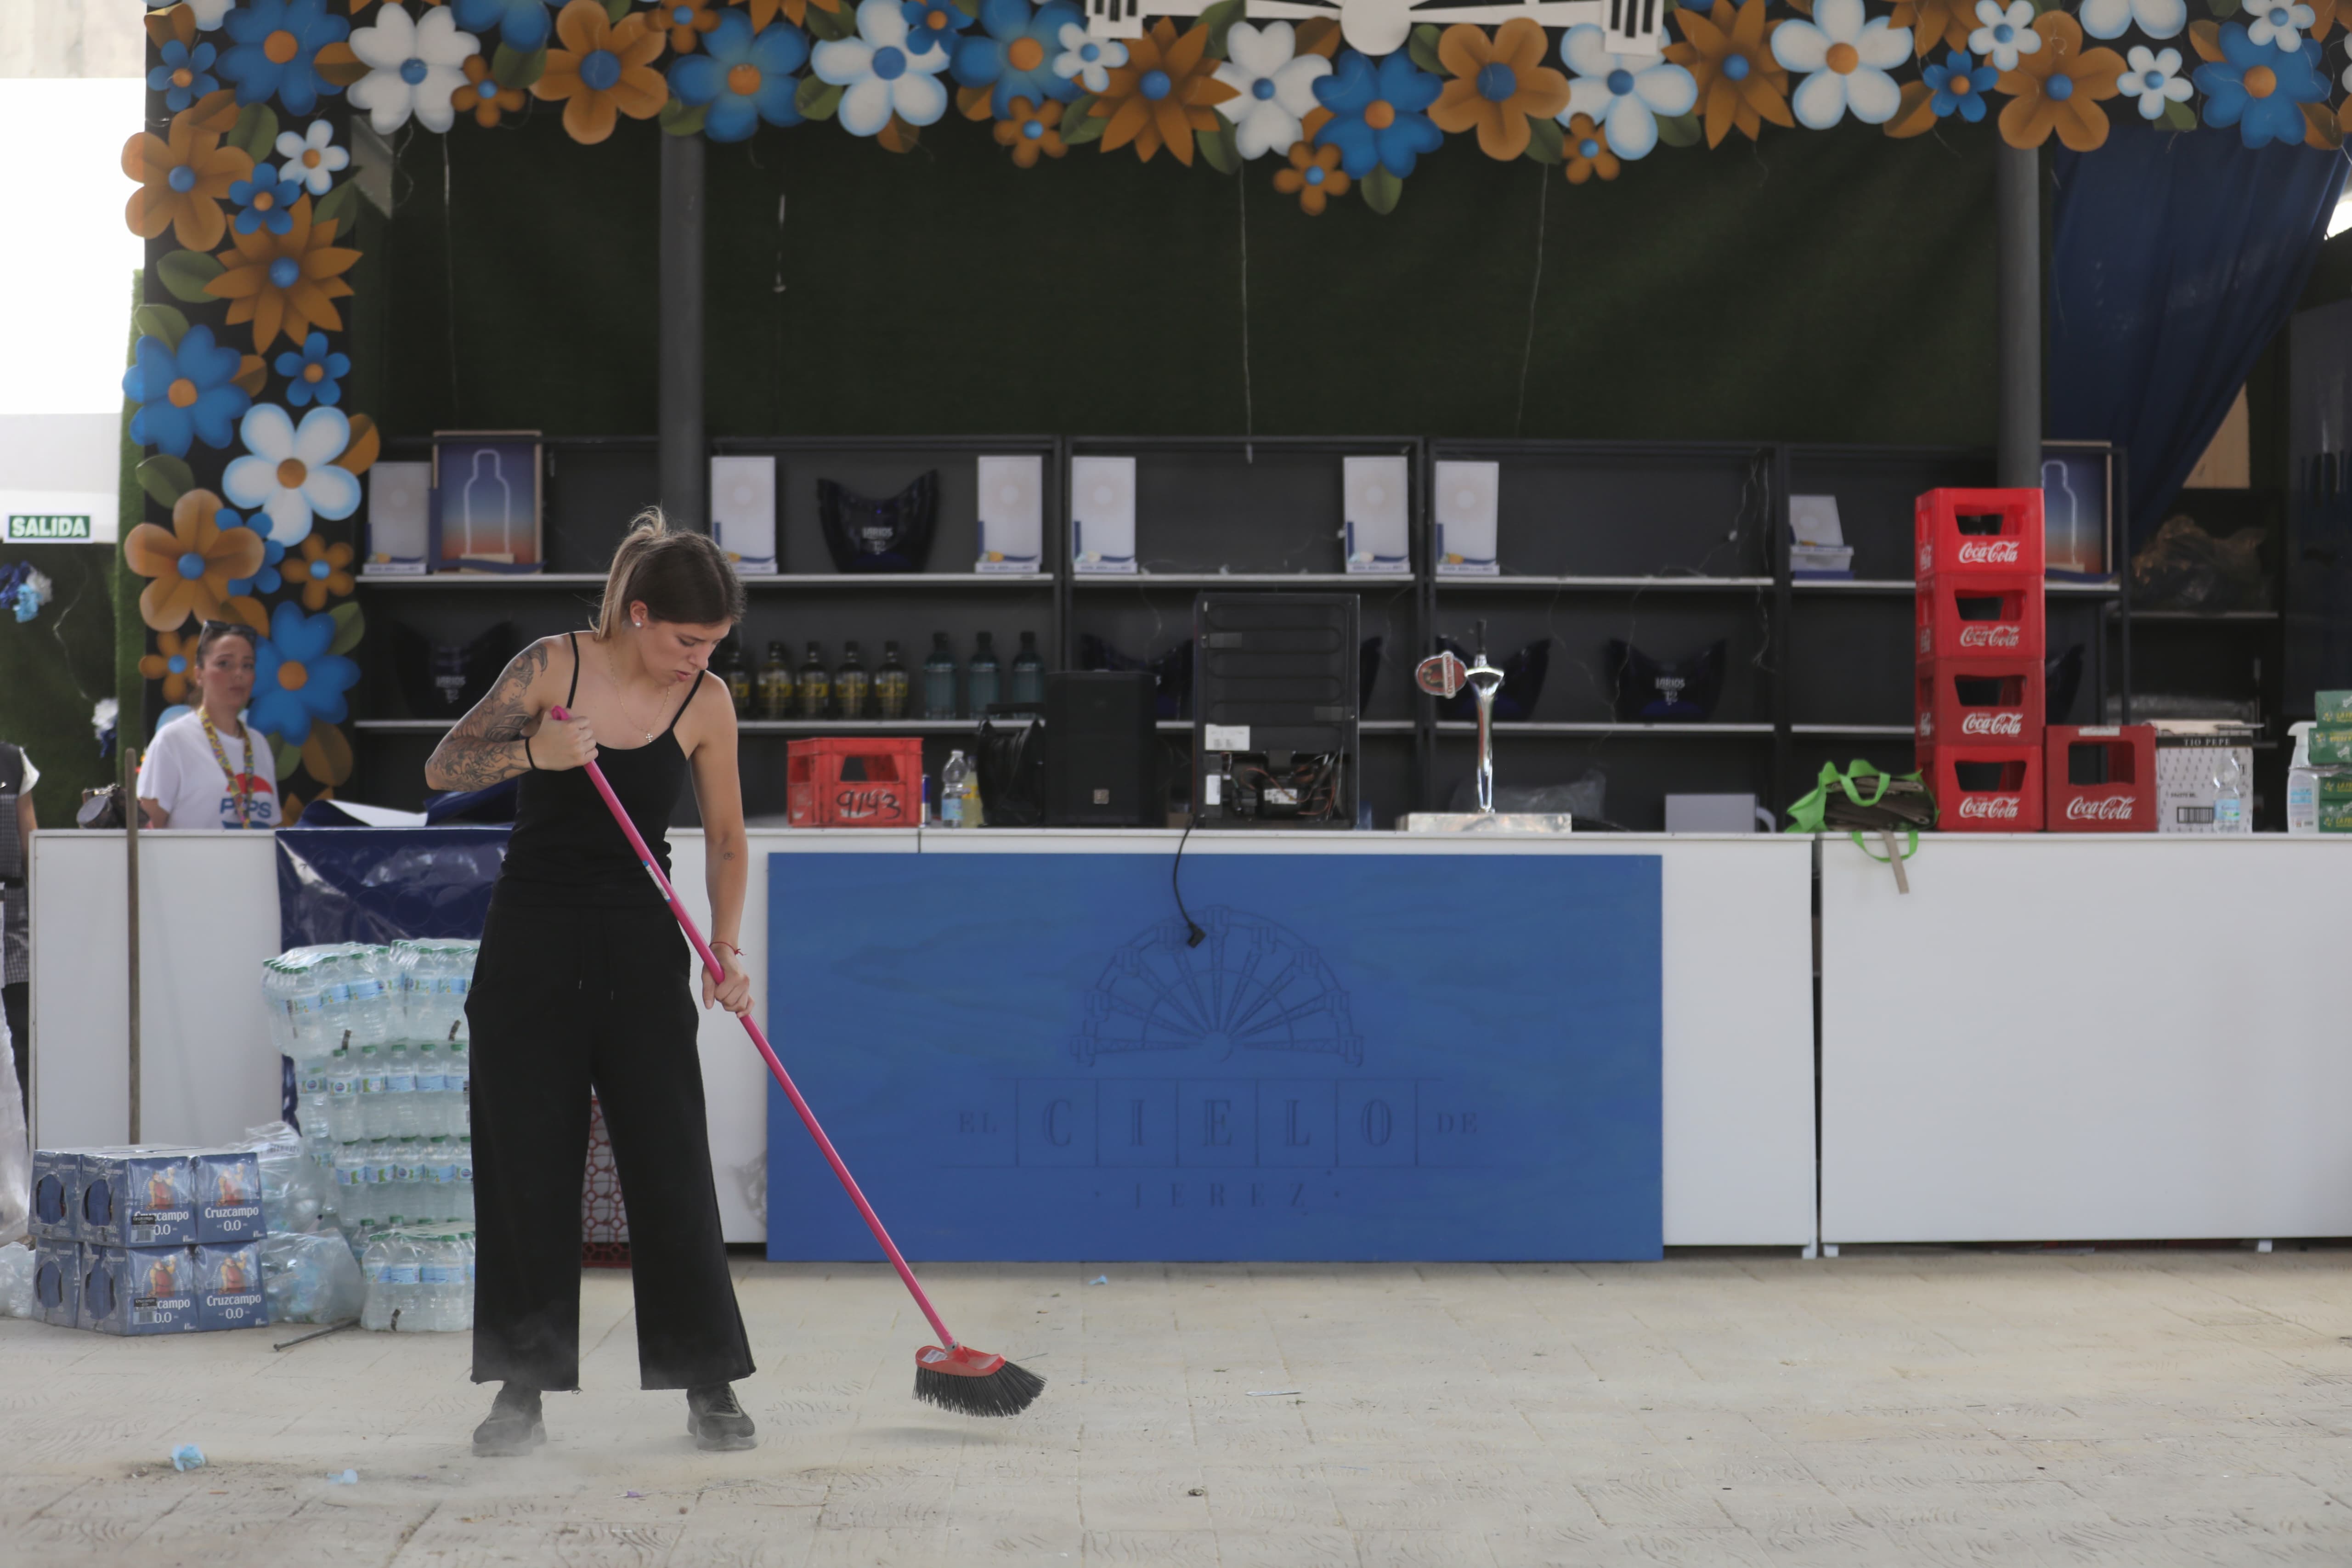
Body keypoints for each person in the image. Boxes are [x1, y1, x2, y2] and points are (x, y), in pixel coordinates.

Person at [424, 509, 758, 1458]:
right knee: (529, 1162)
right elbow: (445, 763)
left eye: (714, 645)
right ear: (638, 613)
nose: (697, 658)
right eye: (686, 640)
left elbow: (727, 838)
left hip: (640, 942)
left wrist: (724, 946)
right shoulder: (552, 666)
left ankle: (709, 1379)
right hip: (531, 940)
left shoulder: (705, 703)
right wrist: (536, 753)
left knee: (669, 1161)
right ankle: (520, 1385)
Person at [135, 622, 282, 830]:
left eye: (247, 665)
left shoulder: (259, 744)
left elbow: (272, 830)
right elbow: (146, 834)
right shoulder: (173, 741)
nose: (239, 674)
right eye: (224, 664)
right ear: (199, 675)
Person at [0, 737, 34, 1117]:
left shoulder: (13, 762)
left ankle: (26, 1156)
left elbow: (33, 848)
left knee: (21, 1041)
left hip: (11, 927)